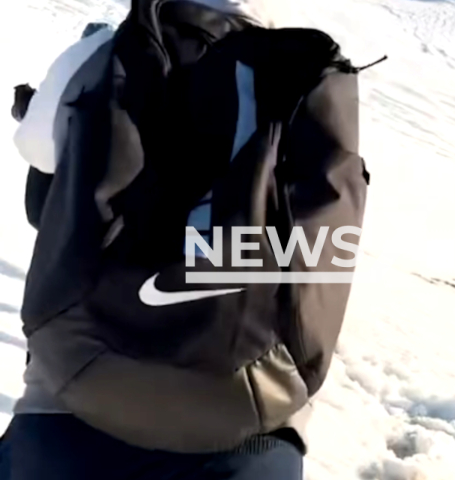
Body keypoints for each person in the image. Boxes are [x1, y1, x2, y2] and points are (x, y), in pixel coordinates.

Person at [0, 1, 371, 479]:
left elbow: (38, 162)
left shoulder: (103, 52)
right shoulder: (307, 77)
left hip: (71, 399)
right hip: (252, 417)